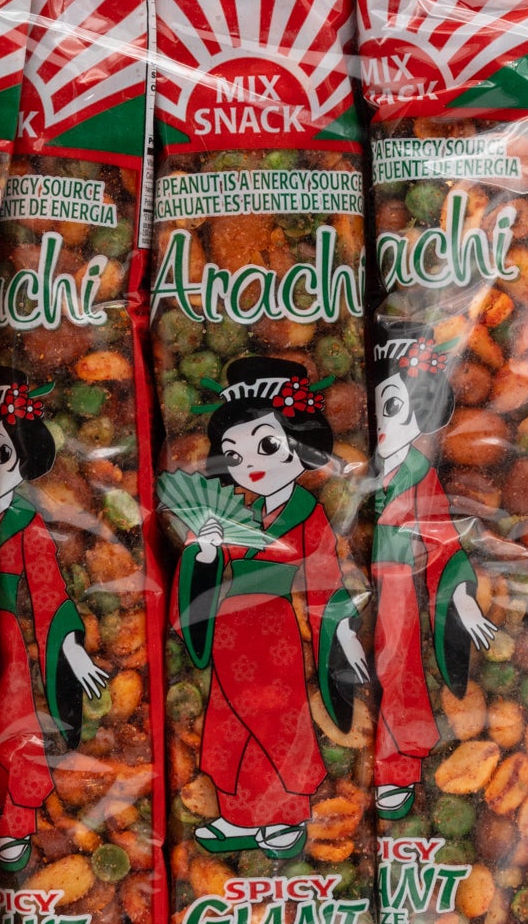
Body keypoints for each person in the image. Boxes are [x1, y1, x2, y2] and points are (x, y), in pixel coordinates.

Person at [173, 356, 368, 865]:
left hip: (275, 632)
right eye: (234, 454)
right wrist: (205, 551)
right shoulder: (231, 513)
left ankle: (285, 815)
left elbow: (325, 575)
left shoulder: (307, 512)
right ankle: (239, 815)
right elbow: (202, 572)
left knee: (278, 721)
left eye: (266, 447)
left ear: (300, 446)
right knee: (228, 724)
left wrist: (342, 632)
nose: (250, 464)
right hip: (227, 631)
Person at [0, 383, 108, 879]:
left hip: (15, 640)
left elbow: (51, 592)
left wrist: (72, 650)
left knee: (18, 730)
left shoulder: (28, 523)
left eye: (2, 453)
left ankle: (16, 825)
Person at [370, 327, 496, 819]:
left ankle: (400, 773)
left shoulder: (422, 474)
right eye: (379, 404)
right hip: (359, 587)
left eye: (394, 407)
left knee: (400, 673)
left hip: (402, 588)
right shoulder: (368, 470)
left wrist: (462, 598)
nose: (381, 420)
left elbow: (444, 540)